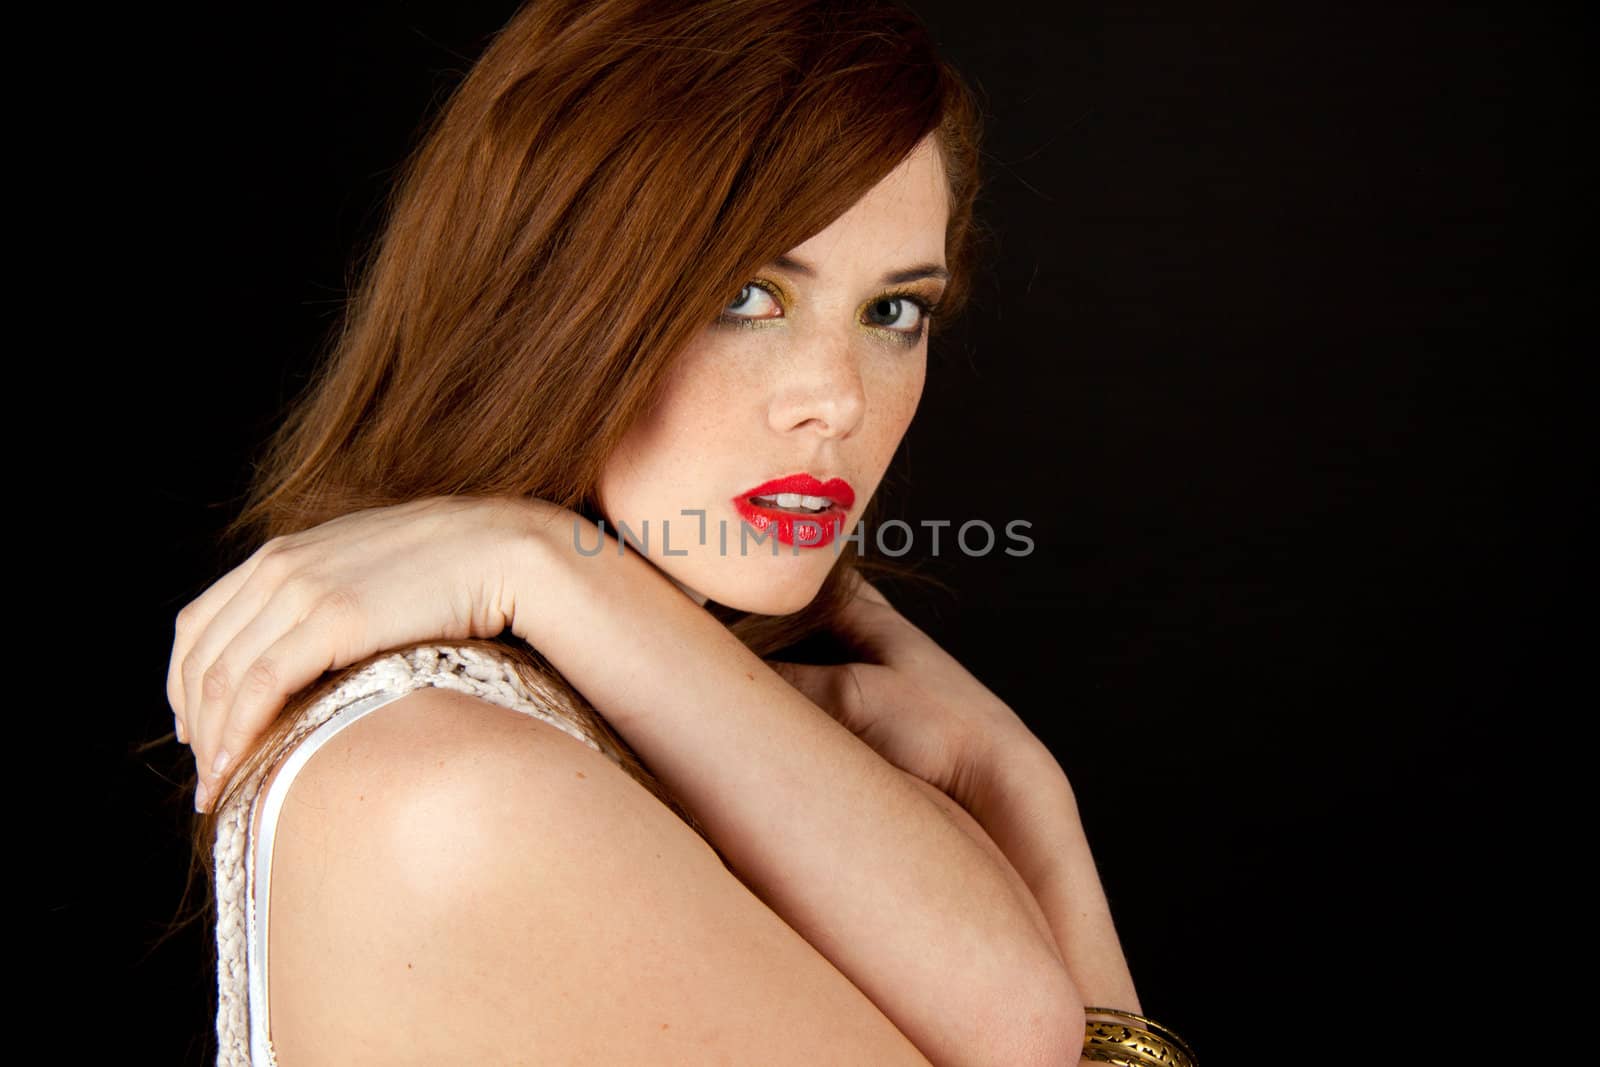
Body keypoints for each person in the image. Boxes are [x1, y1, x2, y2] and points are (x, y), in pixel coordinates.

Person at [170, 1, 1193, 1063]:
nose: (835, 401)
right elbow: (1022, 1024)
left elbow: (1019, 1027)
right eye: (748, 293)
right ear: (550, 298)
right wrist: (541, 567)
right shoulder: (453, 786)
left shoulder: (672, 702)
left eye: (893, 311)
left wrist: (1014, 777)